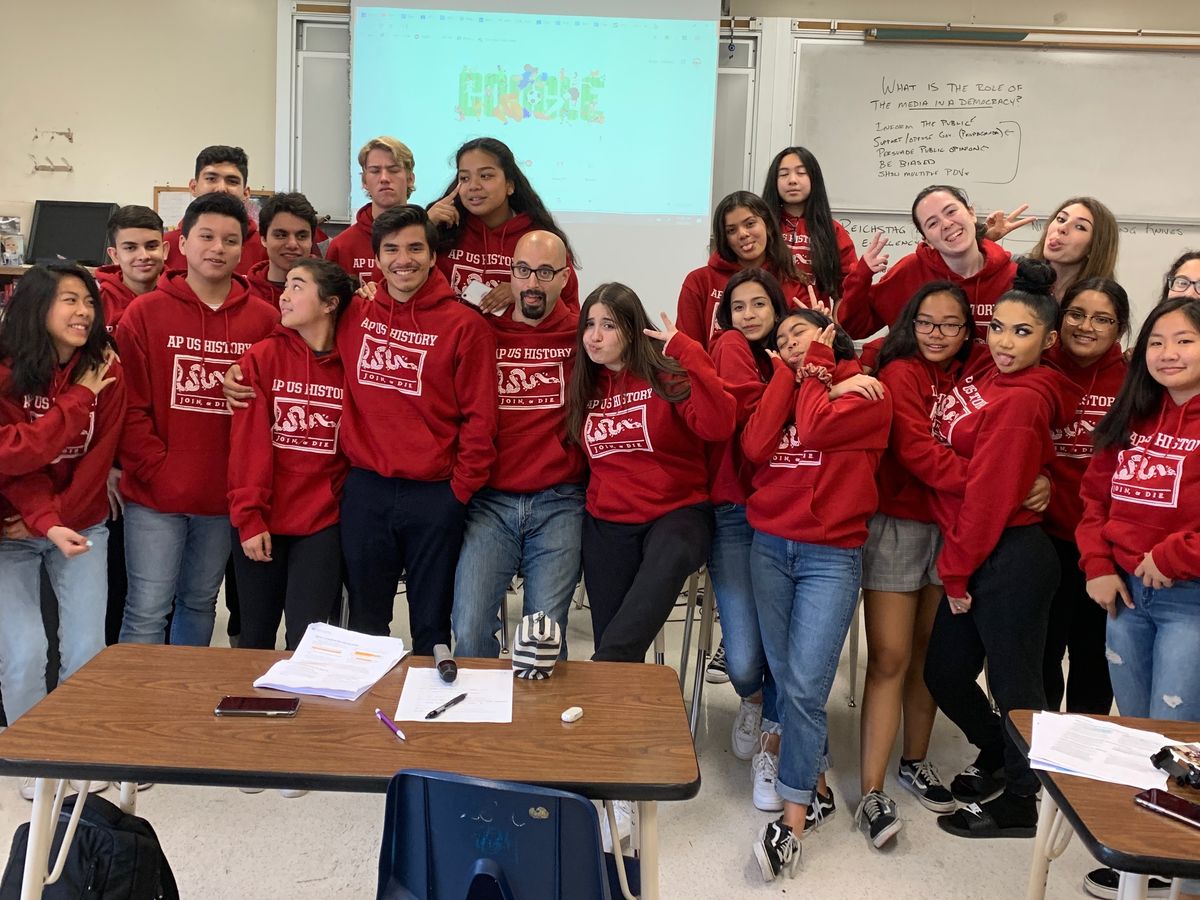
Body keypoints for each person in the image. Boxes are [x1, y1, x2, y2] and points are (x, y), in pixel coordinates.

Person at [924, 259, 1082, 840]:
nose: (1005, 342)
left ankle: (1021, 800)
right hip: (981, 549)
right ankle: (998, 752)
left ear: (1048, 340)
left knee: (1016, 687)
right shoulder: (990, 374)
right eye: (998, 328)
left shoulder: (1021, 401)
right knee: (945, 672)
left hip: (1007, 555)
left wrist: (956, 573)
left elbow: (989, 498)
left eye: (1022, 332)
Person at [741, 308, 891, 881]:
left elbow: (818, 431)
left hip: (830, 555)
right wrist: (792, 376)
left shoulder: (870, 392)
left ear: (828, 336)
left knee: (805, 686)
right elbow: (757, 445)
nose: (788, 342)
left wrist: (824, 375)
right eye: (780, 340)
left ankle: (793, 822)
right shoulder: (792, 386)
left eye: (799, 332)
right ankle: (819, 786)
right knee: (788, 680)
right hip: (769, 547)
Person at [115, 192, 278, 647]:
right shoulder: (143, 314)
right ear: (181, 243)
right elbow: (128, 406)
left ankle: (184, 693)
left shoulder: (265, 321)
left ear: (243, 250)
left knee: (200, 602)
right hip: (154, 496)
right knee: (146, 608)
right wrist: (157, 467)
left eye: (230, 240)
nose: (217, 248)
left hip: (221, 496)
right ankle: (139, 695)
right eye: (206, 236)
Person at [1078, 295, 1200, 899]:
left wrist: (1173, 556)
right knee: (1136, 734)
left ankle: (1176, 864)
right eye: (1156, 342)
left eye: (1184, 341)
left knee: (1178, 736)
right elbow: (1093, 502)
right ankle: (1144, 858)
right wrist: (1098, 565)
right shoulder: (1132, 415)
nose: (1167, 353)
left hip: (1189, 601)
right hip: (1125, 598)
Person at [857, 282, 980, 847]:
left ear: (967, 330)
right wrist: (991, 484)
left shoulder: (974, 375)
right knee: (889, 656)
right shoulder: (901, 372)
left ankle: (914, 760)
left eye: (951, 324)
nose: (937, 334)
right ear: (910, 323)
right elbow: (914, 452)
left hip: (952, 528)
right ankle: (871, 790)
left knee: (928, 654)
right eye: (926, 322)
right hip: (898, 525)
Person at [565, 283, 734, 663]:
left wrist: (691, 354)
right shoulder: (585, 386)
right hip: (608, 519)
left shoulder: (665, 374)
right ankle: (612, 678)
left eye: (608, 325)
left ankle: (604, 668)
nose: (594, 336)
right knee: (613, 632)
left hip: (676, 512)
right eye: (589, 324)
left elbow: (718, 426)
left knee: (669, 557)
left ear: (631, 329)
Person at [0, 266, 126, 733]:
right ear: (37, 307)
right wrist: (77, 397)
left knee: (87, 650)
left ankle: (77, 748)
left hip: (79, 520)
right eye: (70, 300)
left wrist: (55, 521)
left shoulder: (106, 368)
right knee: (25, 651)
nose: (84, 312)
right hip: (11, 527)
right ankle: (31, 756)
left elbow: (98, 460)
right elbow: (15, 458)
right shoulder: (6, 370)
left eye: (90, 301)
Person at [451, 231, 585, 658]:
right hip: (491, 501)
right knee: (469, 629)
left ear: (564, 278)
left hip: (559, 501)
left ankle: (539, 706)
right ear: (510, 273)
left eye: (545, 273)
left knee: (543, 641)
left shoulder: (583, 337)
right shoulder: (480, 330)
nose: (532, 283)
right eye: (523, 270)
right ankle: (481, 704)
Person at [228, 259, 353, 651]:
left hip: (322, 522)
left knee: (308, 641)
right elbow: (248, 446)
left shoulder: (353, 363)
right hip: (262, 519)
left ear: (330, 303)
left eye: (298, 286)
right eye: (285, 287)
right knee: (255, 638)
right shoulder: (262, 358)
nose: (284, 295)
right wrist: (249, 518)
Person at [706, 267, 791, 811]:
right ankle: (753, 698)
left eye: (760, 303)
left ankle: (773, 742)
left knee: (782, 645)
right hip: (736, 511)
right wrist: (792, 379)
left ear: (778, 309)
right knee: (741, 662)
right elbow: (752, 424)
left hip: (786, 515)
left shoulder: (795, 353)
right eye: (738, 306)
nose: (749, 314)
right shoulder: (730, 347)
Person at [1042, 278, 1129, 714]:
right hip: (1044, 539)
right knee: (1042, 656)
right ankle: (1034, 750)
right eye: (1076, 314)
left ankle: (1083, 751)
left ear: (1120, 328)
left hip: (1105, 545)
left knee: (1094, 661)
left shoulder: (1135, 381)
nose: (1086, 326)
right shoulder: (1037, 364)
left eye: (1102, 319)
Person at [838, 184, 1017, 339]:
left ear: (971, 214)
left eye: (951, 212)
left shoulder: (1012, 277)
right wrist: (861, 276)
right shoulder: (909, 271)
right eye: (932, 223)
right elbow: (855, 328)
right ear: (927, 240)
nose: (946, 224)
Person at [427, 137, 580, 312]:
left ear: (509, 185)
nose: (473, 186)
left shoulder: (540, 239)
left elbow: (571, 312)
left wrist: (525, 291)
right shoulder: (442, 228)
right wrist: (425, 227)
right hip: (452, 329)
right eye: (464, 178)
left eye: (485, 176)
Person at [676, 191, 806, 350]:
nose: (743, 234)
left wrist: (817, 323)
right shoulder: (699, 281)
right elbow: (686, 351)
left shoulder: (792, 281)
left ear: (768, 225)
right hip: (713, 366)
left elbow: (801, 353)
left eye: (750, 224)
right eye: (731, 230)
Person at [761, 147, 857, 305]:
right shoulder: (761, 226)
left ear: (814, 178)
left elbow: (845, 291)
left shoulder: (833, 231)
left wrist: (833, 319)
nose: (792, 180)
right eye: (783, 174)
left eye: (801, 173)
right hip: (766, 317)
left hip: (814, 318)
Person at [162, 145, 267, 276]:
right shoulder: (164, 246)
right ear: (193, 187)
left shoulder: (266, 248)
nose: (221, 188)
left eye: (232, 181)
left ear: (246, 193)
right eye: (211, 179)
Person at [326, 136, 416, 283]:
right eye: (375, 171)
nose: (384, 178)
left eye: (393, 170)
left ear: (410, 179)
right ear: (364, 181)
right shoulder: (342, 246)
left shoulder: (427, 239)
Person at [1029, 197, 1119, 301]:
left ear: (1094, 247)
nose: (1062, 228)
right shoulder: (1019, 276)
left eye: (1080, 227)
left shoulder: (1100, 301)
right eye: (1061, 219)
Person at [95, 205, 167, 333]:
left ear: (165, 250)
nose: (143, 256)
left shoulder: (186, 298)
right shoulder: (95, 304)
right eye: (130, 248)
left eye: (151, 246)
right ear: (114, 255)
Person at [245, 192, 318, 306]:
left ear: (311, 240)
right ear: (263, 239)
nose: (292, 244)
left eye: (302, 236)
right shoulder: (244, 294)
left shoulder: (330, 291)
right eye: (281, 235)